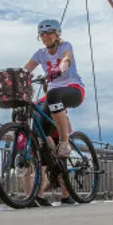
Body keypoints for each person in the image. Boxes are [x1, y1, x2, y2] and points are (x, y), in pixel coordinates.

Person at [22, 18, 86, 206]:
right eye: (42, 34)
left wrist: (59, 69)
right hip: (53, 97)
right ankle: (50, 161)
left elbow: (66, 59)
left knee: (53, 94)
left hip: (73, 90)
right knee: (39, 127)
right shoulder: (39, 54)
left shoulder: (66, 45)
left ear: (57, 34)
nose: (45, 36)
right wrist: (15, 77)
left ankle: (65, 143)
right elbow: (27, 69)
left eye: (49, 33)